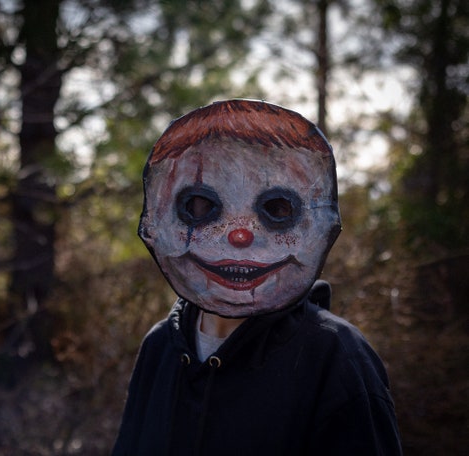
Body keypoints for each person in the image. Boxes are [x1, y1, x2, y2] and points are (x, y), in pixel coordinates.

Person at [112, 99, 402, 455]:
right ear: (156, 221)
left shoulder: (337, 357)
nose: (239, 235)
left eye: (278, 210)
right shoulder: (160, 347)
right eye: (199, 207)